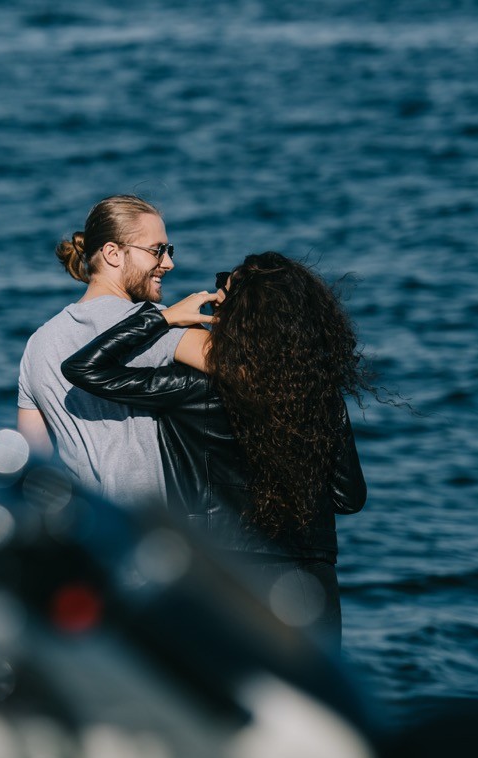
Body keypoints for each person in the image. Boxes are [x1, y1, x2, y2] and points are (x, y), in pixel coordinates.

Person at [61, 252, 370, 647]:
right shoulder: (320, 397)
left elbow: (84, 368)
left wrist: (163, 317)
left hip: (224, 572)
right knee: (311, 704)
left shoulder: (194, 388)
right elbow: (350, 498)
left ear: (237, 314)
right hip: (310, 577)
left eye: (223, 287)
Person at [17, 195, 201, 507]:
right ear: (113, 253)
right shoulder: (155, 324)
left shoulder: (38, 344)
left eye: (168, 251)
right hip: (153, 533)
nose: (169, 263)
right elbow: (241, 367)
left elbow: (33, 467)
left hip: (89, 534)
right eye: (158, 251)